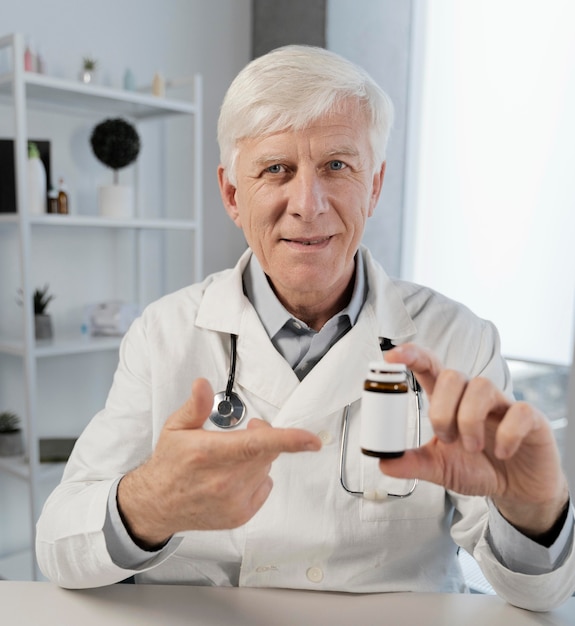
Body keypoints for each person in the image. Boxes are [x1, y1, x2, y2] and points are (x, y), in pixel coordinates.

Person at [36, 45, 574, 611]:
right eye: (276, 170)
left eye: (337, 166)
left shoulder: (459, 339)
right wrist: (150, 503)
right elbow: (58, 543)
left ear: (375, 185)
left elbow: (537, 592)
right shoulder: (164, 334)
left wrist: (534, 509)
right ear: (231, 195)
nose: (308, 204)